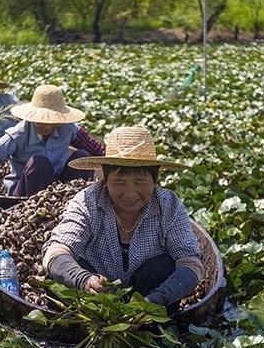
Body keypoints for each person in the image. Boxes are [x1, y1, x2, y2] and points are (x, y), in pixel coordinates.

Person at [41, 126, 205, 313]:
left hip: (149, 300)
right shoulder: (88, 201)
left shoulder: (169, 205)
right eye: (119, 182)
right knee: (58, 276)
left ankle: (152, 320)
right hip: (93, 299)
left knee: (163, 267)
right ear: (105, 179)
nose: (130, 193)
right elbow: (55, 252)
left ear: (155, 180)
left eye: (140, 182)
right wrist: (83, 280)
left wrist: (155, 301)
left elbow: (192, 263)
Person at [0, 84, 105, 198]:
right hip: (24, 191)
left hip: (58, 187)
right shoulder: (18, 135)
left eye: (52, 121)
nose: (46, 125)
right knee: (38, 163)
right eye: (41, 120)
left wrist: (113, 166)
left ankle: (75, 201)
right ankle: (39, 209)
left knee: (82, 156)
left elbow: (94, 148)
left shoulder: (67, 128)